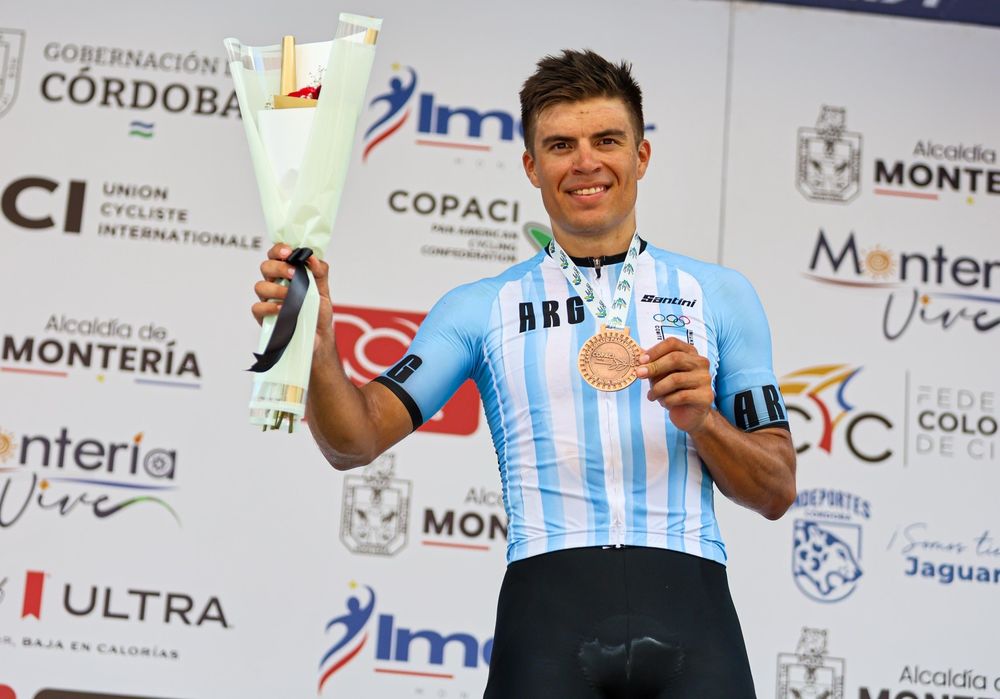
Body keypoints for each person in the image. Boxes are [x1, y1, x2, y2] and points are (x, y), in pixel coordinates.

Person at [253, 49, 796, 699]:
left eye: (607, 140)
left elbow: (776, 487)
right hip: (547, 626)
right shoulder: (481, 307)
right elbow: (355, 439)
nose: (586, 162)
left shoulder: (720, 295)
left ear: (641, 156)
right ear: (532, 167)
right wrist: (315, 349)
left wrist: (703, 421)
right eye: (561, 145)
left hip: (694, 619)